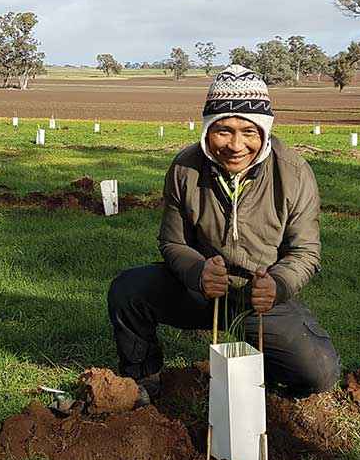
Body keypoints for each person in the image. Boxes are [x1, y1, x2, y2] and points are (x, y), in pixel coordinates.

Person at [108, 63, 340, 398]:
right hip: (199, 290)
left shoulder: (293, 172)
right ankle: (143, 378)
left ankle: (263, 379)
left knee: (318, 373)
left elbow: (305, 251)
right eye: (223, 130)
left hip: (259, 299)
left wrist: (277, 285)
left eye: (249, 131)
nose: (235, 145)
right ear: (207, 129)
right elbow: (172, 241)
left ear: (265, 131)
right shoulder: (185, 168)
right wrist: (197, 271)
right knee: (128, 290)